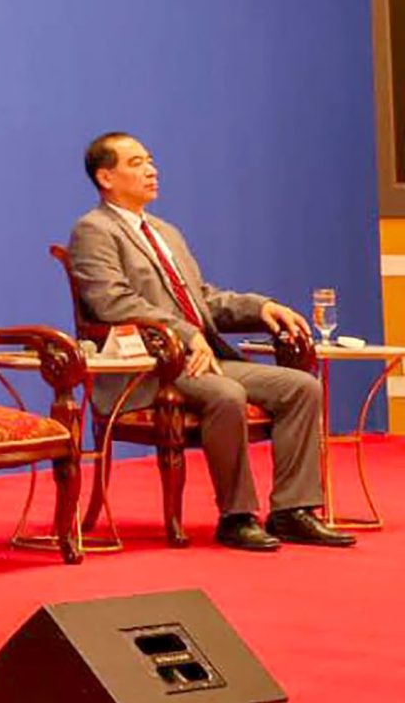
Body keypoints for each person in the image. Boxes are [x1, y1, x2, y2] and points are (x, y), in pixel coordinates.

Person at [66, 133, 351, 550]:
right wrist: (185, 334)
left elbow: (203, 300)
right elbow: (113, 302)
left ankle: (293, 511)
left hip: (200, 358)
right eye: (136, 163)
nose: (151, 170)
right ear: (105, 177)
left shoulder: (165, 232)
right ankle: (236, 516)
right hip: (148, 367)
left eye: (151, 160)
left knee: (301, 388)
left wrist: (260, 307)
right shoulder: (93, 230)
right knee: (226, 393)